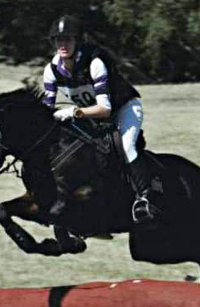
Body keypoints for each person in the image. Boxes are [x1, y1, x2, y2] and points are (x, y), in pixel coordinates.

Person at [43, 15, 156, 223]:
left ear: (78, 41)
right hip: (92, 115)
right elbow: (47, 110)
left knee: (126, 145)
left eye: (68, 39)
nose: (63, 44)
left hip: (124, 108)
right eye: (58, 40)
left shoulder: (95, 63)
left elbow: (105, 109)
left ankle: (144, 198)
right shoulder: (51, 71)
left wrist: (74, 112)